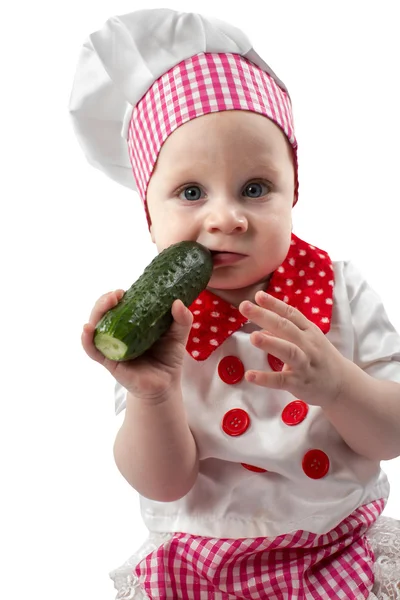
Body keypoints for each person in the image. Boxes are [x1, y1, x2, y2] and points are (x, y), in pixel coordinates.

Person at [69, 8, 400, 599]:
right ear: (151, 217)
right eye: (191, 193)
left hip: (333, 550)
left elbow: (391, 436)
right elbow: (165, 483)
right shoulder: (151, 327)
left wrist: (337, 387)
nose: (226, 217)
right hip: (196, 566)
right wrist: (153, 395)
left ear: (293, 191)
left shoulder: (342, 288)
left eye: (255, 188)